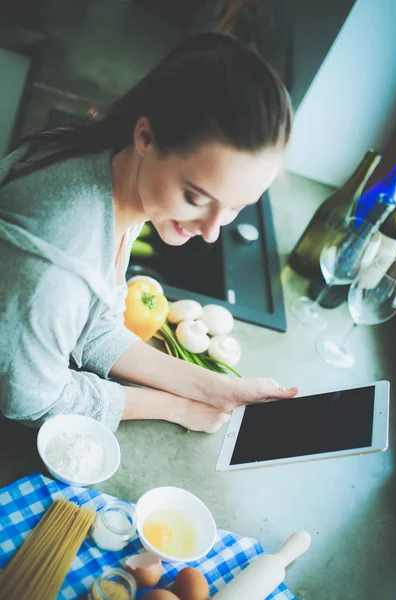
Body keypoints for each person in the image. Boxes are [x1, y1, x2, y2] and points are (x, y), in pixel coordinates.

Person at [0, 33, 298, 434]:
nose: (212, 232)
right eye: (196, 197)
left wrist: (217, 388)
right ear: (146, 137)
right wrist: (173, 408)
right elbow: (33, 400)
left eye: (235, 207)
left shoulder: (118, 168)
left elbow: (94, 327)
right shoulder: (57, 263)